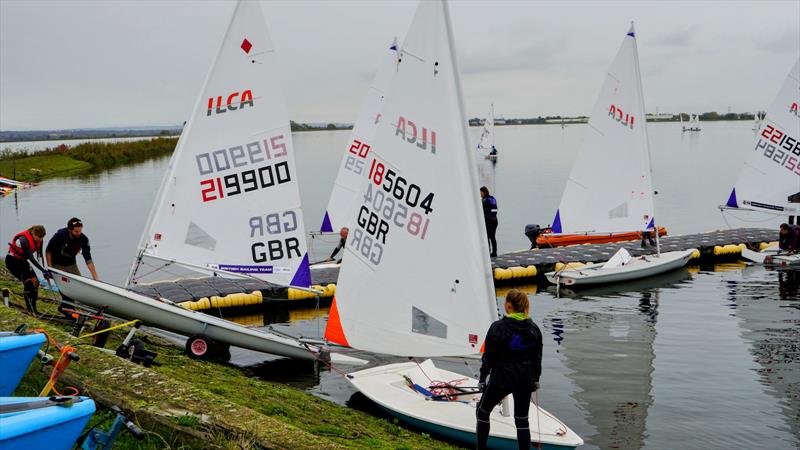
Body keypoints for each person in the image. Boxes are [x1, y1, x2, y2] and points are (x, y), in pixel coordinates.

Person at [476, 290, 542, 450]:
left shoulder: (498, 328)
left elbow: (488, 358)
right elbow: (537, 359)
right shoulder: (534, 329)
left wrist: (482, 378)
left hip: (501, 378)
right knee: (521, 419)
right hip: (524, 379)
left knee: (482, 412)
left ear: (508, 306)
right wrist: (535, 380)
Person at [6, 225, 49, 314]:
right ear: (33, 234)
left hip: (22, 261)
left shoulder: (40, 240)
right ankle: (29, 308)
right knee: (29, 283)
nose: (40, 239)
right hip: (12, 261)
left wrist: (45, 270)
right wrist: (42, 270)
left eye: (42, 237)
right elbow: (31, 258)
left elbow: (39, 256)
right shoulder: (23, 240)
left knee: (36, 282)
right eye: (39, 237)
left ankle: (33, 308)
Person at [480, 186, 498, 257]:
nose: (480, 194)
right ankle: (494, 252)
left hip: (488, 220)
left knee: (487, 236)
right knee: (493, 237)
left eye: (480, 193)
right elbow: (495, 210)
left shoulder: (484, 200)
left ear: (483, 192)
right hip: (495, 220)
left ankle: (487, 253)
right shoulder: (492, 198)